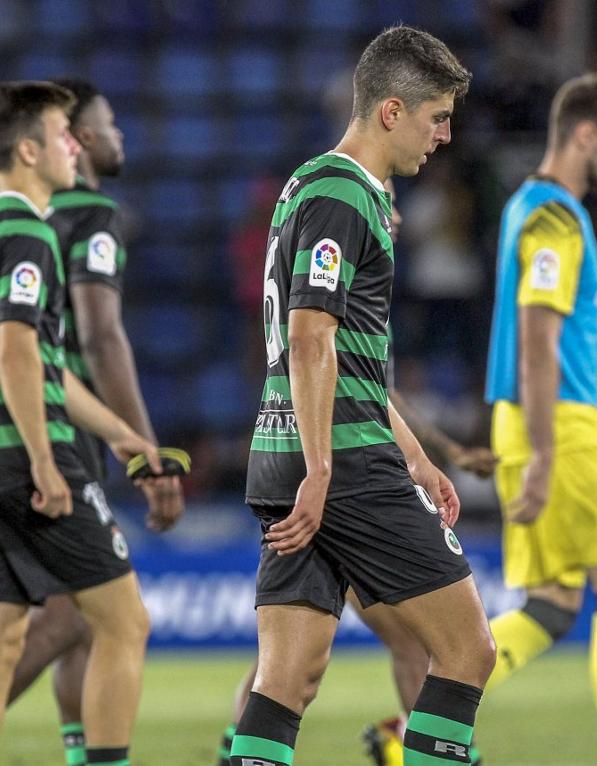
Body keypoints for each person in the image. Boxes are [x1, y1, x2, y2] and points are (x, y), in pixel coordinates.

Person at [0, 78, 183, 766]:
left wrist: (120, 434)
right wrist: (47, 463)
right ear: (28, 150)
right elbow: (20, 354)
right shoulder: (29, 231)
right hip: (28, 457)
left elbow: (44, 362)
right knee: (124, 622)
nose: (74, 145)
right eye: (61, 134)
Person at [233, 26, 495, 766]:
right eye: (436, 117)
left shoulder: (309, 185)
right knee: (468, 651)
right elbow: (311, 334)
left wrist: (416, 458)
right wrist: (324, 469)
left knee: (288, 676)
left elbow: (347, 358)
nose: (443, 137)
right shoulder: (347, 195)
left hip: (288, 450)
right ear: (390, 111)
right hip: (338, 462)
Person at [483, 73, 597, 766]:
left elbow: (562, 356)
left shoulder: (522, 206)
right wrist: (550, 454)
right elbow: (538, 337)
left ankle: (410, 731)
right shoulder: (557, 217)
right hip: (554, 428)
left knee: (551, 608)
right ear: (583, 136)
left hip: (547, 418)